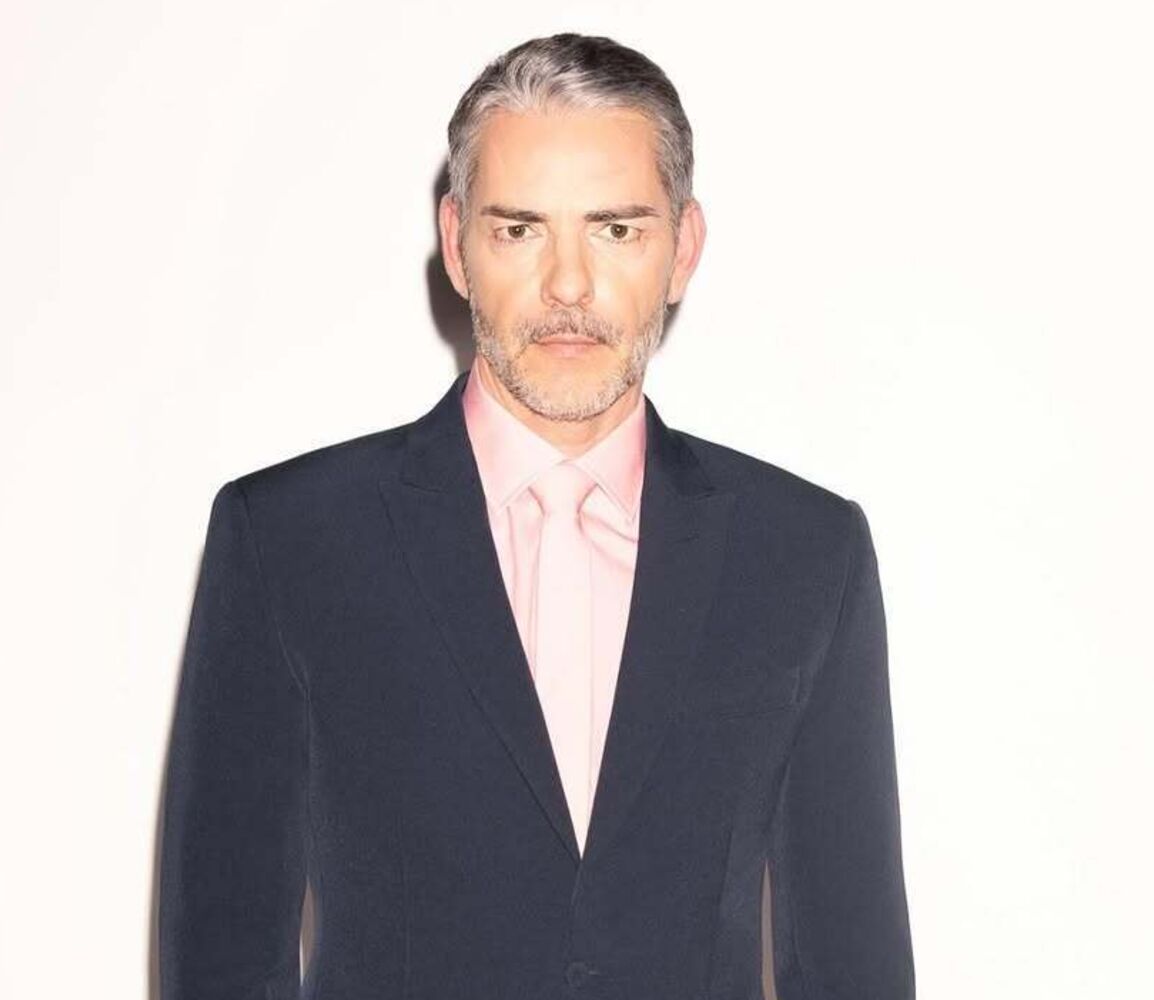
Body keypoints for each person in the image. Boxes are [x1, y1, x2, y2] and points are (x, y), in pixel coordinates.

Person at [157, 31, 915, 1000]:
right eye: (520, 229)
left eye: (616, 229)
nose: (567, 284)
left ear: (682, 249)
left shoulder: (804, 553)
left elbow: (853, 963)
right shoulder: (291, 540)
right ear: (457, 244)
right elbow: (221, 953)